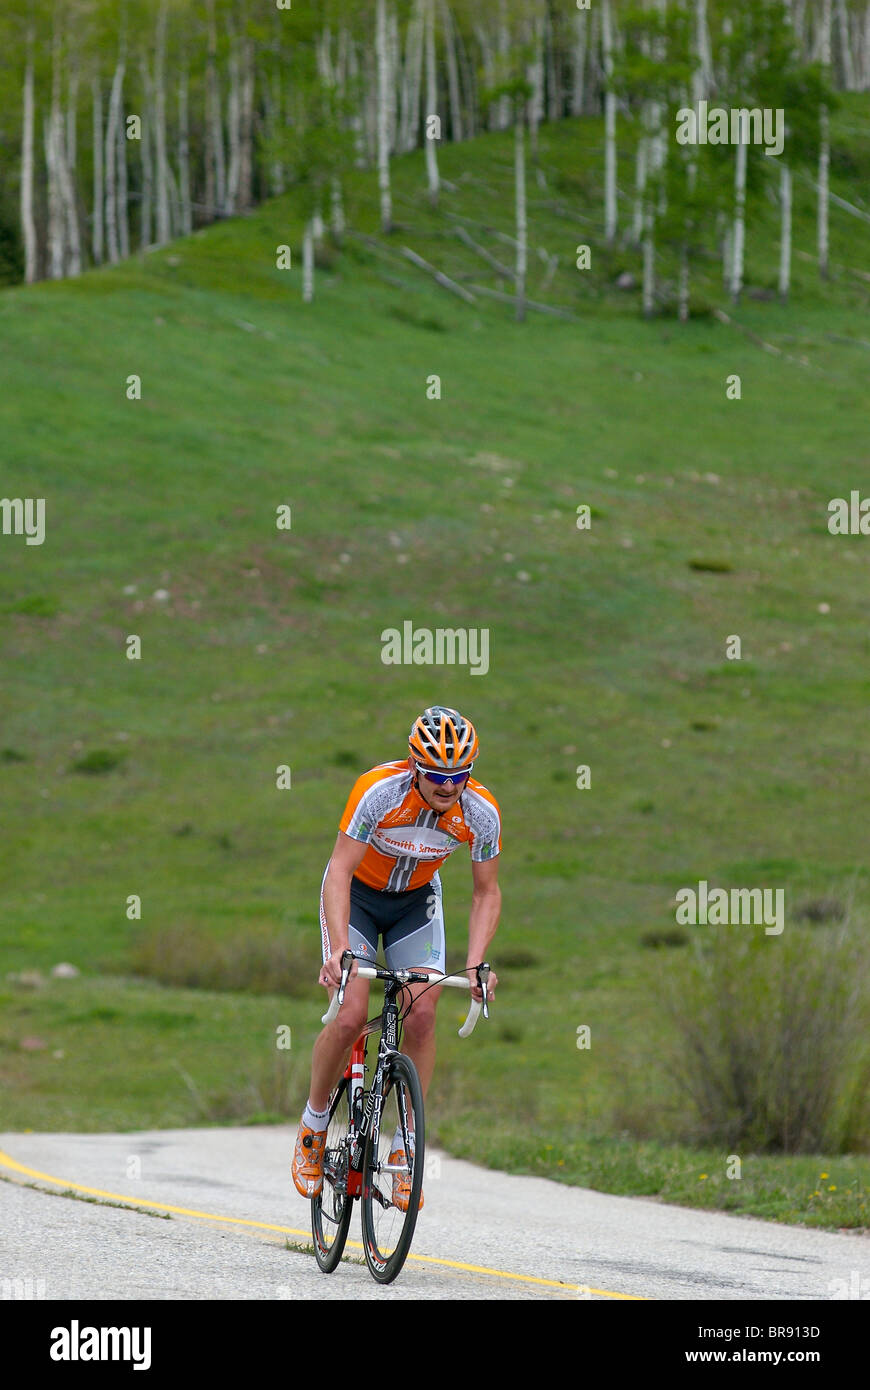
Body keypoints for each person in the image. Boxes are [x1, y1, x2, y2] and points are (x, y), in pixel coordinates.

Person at [291, 705, 501, 1209]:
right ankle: (314, 1124)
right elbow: (339, 870)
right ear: (414, 766)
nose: (448, 787)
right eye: (436, 776)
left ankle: (406, 1149)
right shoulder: (378, 791)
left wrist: (475, 963)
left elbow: (485, 893)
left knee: (423, 1014)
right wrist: (339, 948)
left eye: (459, 775)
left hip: (415, 904)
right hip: (358, 899)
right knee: (348, 1017)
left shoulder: (481, 811)